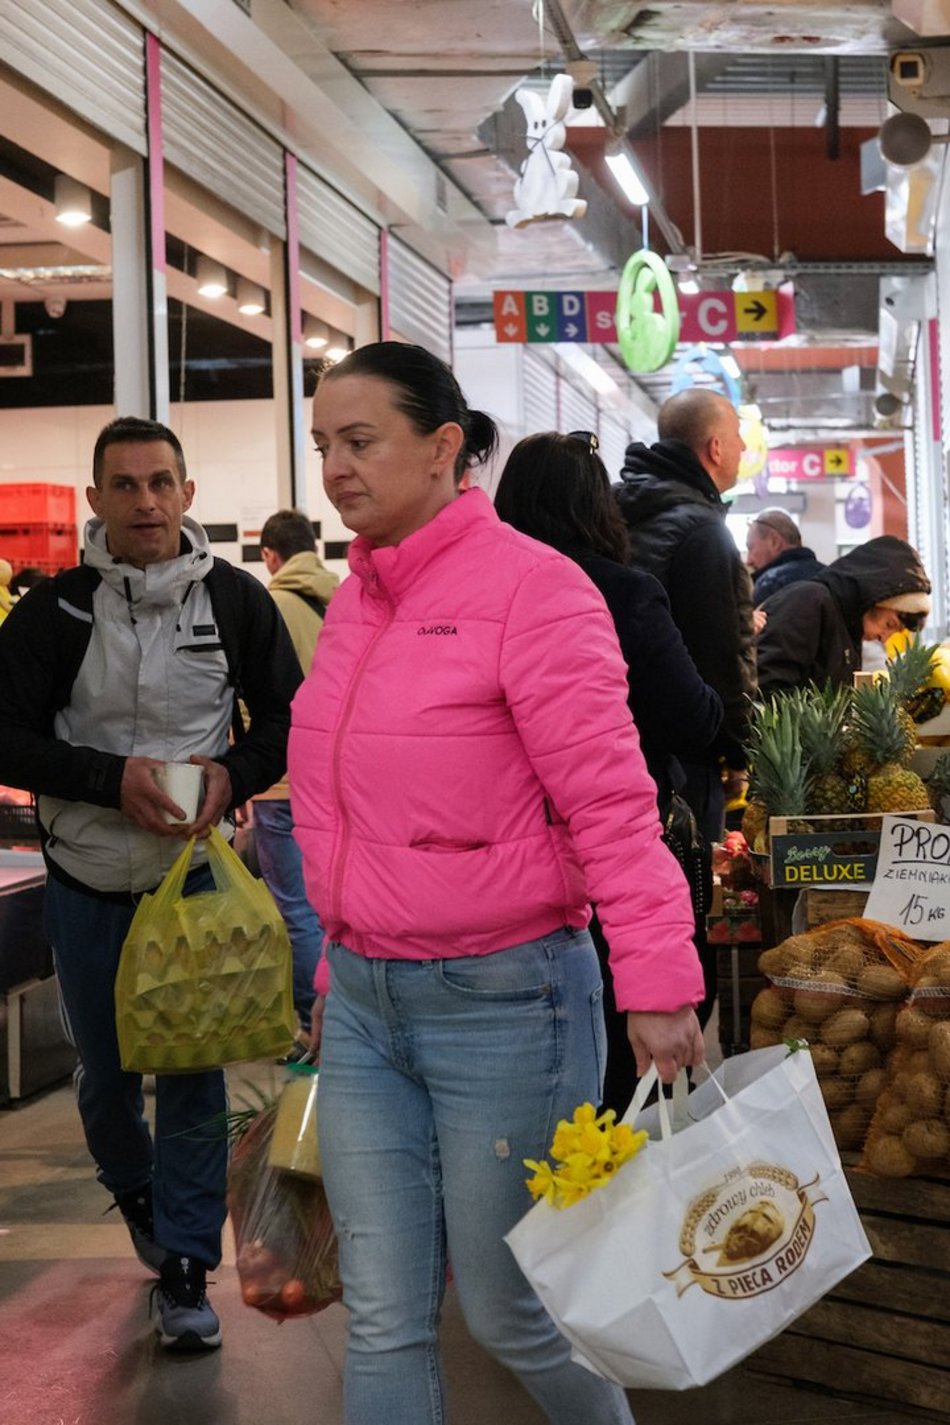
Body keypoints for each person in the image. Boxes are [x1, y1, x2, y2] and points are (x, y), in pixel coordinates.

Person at [289, 342, 705, 1425]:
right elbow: (350, 816)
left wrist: (657, 979)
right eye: (323, 444)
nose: (334, 466)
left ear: (442, 447)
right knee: (380, 1317)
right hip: (366, 1008)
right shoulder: (354, 606)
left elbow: (612, 806)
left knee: (510, 1310)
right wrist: (335, 969)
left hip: (506, 1002)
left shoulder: (536, 592)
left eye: (359, 441)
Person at [0, 416, 301, 1351]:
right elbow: (5, 735)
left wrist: (234, 775)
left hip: (195, 882)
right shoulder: (53, 615)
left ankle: (184, 1266)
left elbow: (290, 717)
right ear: (95, 500)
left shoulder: (237, 601)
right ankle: (134, 1189)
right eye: (124, 485)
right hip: (88, 876)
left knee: (192, 1069)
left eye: (160, 482)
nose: (144, 501)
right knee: (106, 1076)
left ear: (188, 494)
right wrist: (106, 778)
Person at [494, 428, 723, 1112]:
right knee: (625, 1078)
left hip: (507, 877)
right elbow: (696, 718)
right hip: (608, 859)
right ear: (599, 510)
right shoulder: (624, 593)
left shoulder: (484, 593)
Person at [615, 389, 757, 847]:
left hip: (615, 736)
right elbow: (719, 652)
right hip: (685, 751)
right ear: (715, 448)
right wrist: (736, 748)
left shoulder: (616, 511)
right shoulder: (702, 530)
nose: (744, 448)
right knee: (687, 888)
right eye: (737, 436)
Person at [253, 508, 338, 1050]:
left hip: (282, 778)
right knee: (332, 906)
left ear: (269, 556)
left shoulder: (272, 604)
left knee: (296, 909)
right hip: (334, 778)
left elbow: (251, 698)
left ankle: (314, 1026)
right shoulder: (341, 598)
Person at [756, 534, 931, 695]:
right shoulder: (810, 601)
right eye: (889, 625)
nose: (884, 638)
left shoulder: (848, 627)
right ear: (873, 599)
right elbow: (768, 683)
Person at [746, 507, 825, 604]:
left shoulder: (770, 583)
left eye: (751, 548)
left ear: (774, 541)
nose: (749, 561)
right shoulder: (828, 577)